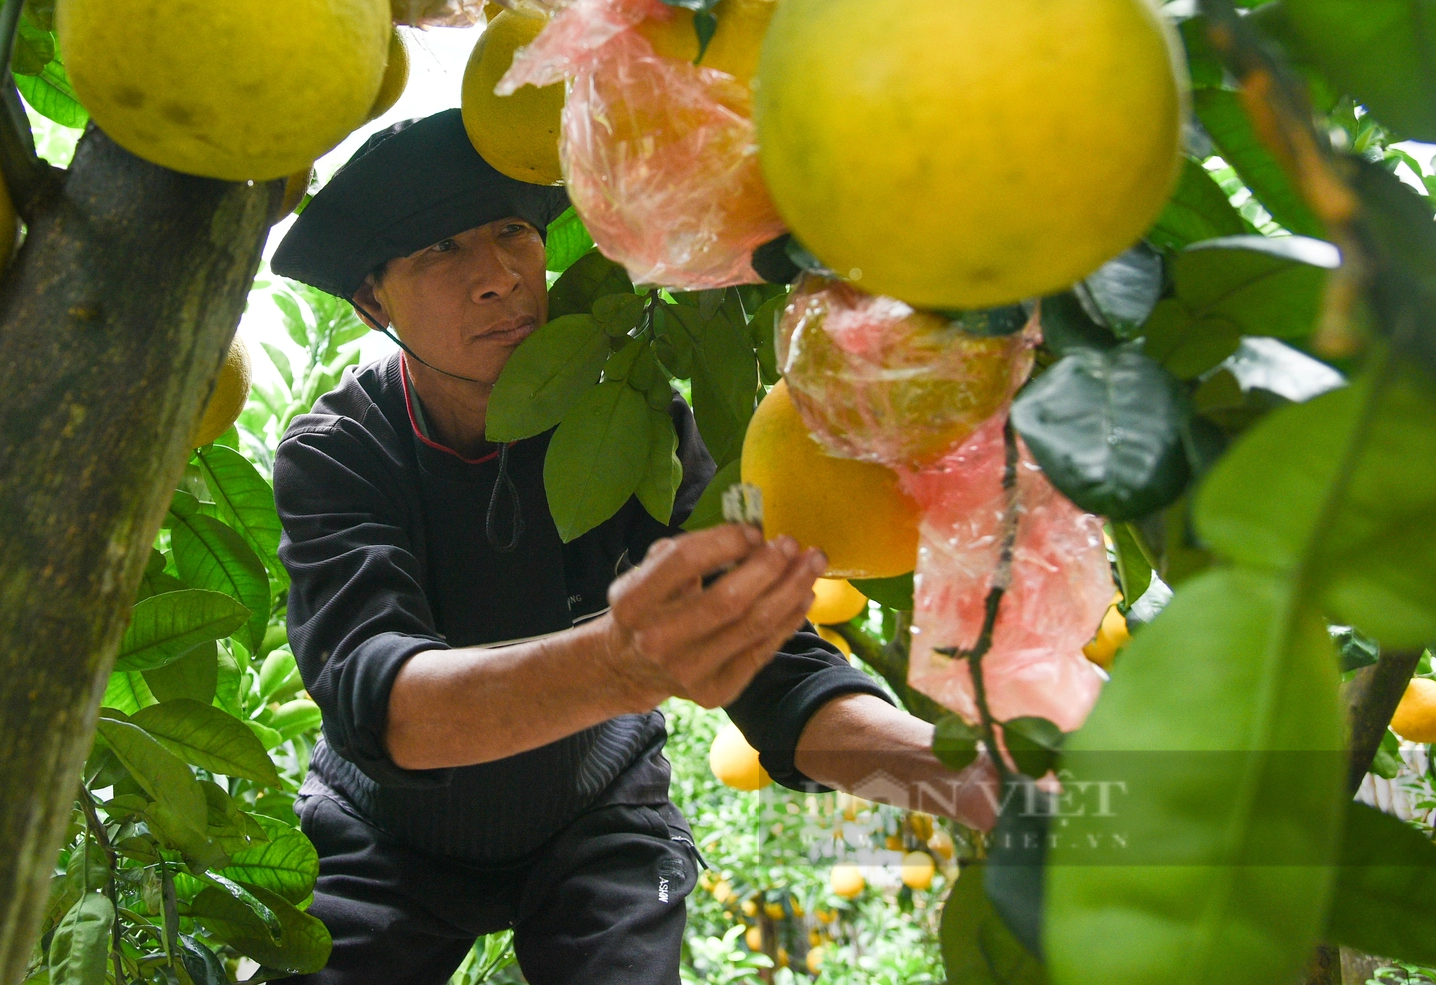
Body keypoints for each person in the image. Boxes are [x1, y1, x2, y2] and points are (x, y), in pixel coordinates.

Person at [268, 111, 1000, 984]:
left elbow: (778, 674)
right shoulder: (339, 452)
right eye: (439, 250)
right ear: (372, 300)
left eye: (512, 232)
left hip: (598, 819)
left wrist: (968, 779)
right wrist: (623, 663)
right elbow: (379, 700)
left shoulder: (627, 425)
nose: (497, 276)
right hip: (384, 836)